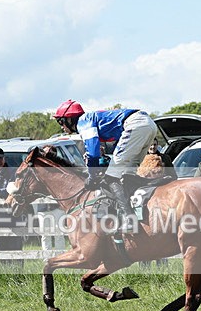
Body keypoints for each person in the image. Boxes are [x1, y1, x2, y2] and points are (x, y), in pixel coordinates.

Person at [53, 99, 158, 232]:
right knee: (127, 175)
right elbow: (116, 142)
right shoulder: (93, 119)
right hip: (149, 124)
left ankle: (129, 219)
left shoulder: (83, 122)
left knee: (111, 178)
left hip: (135, 125)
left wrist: (92, 176)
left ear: (69, 119)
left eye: (61, 122)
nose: (61, 126)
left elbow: (92, 152)